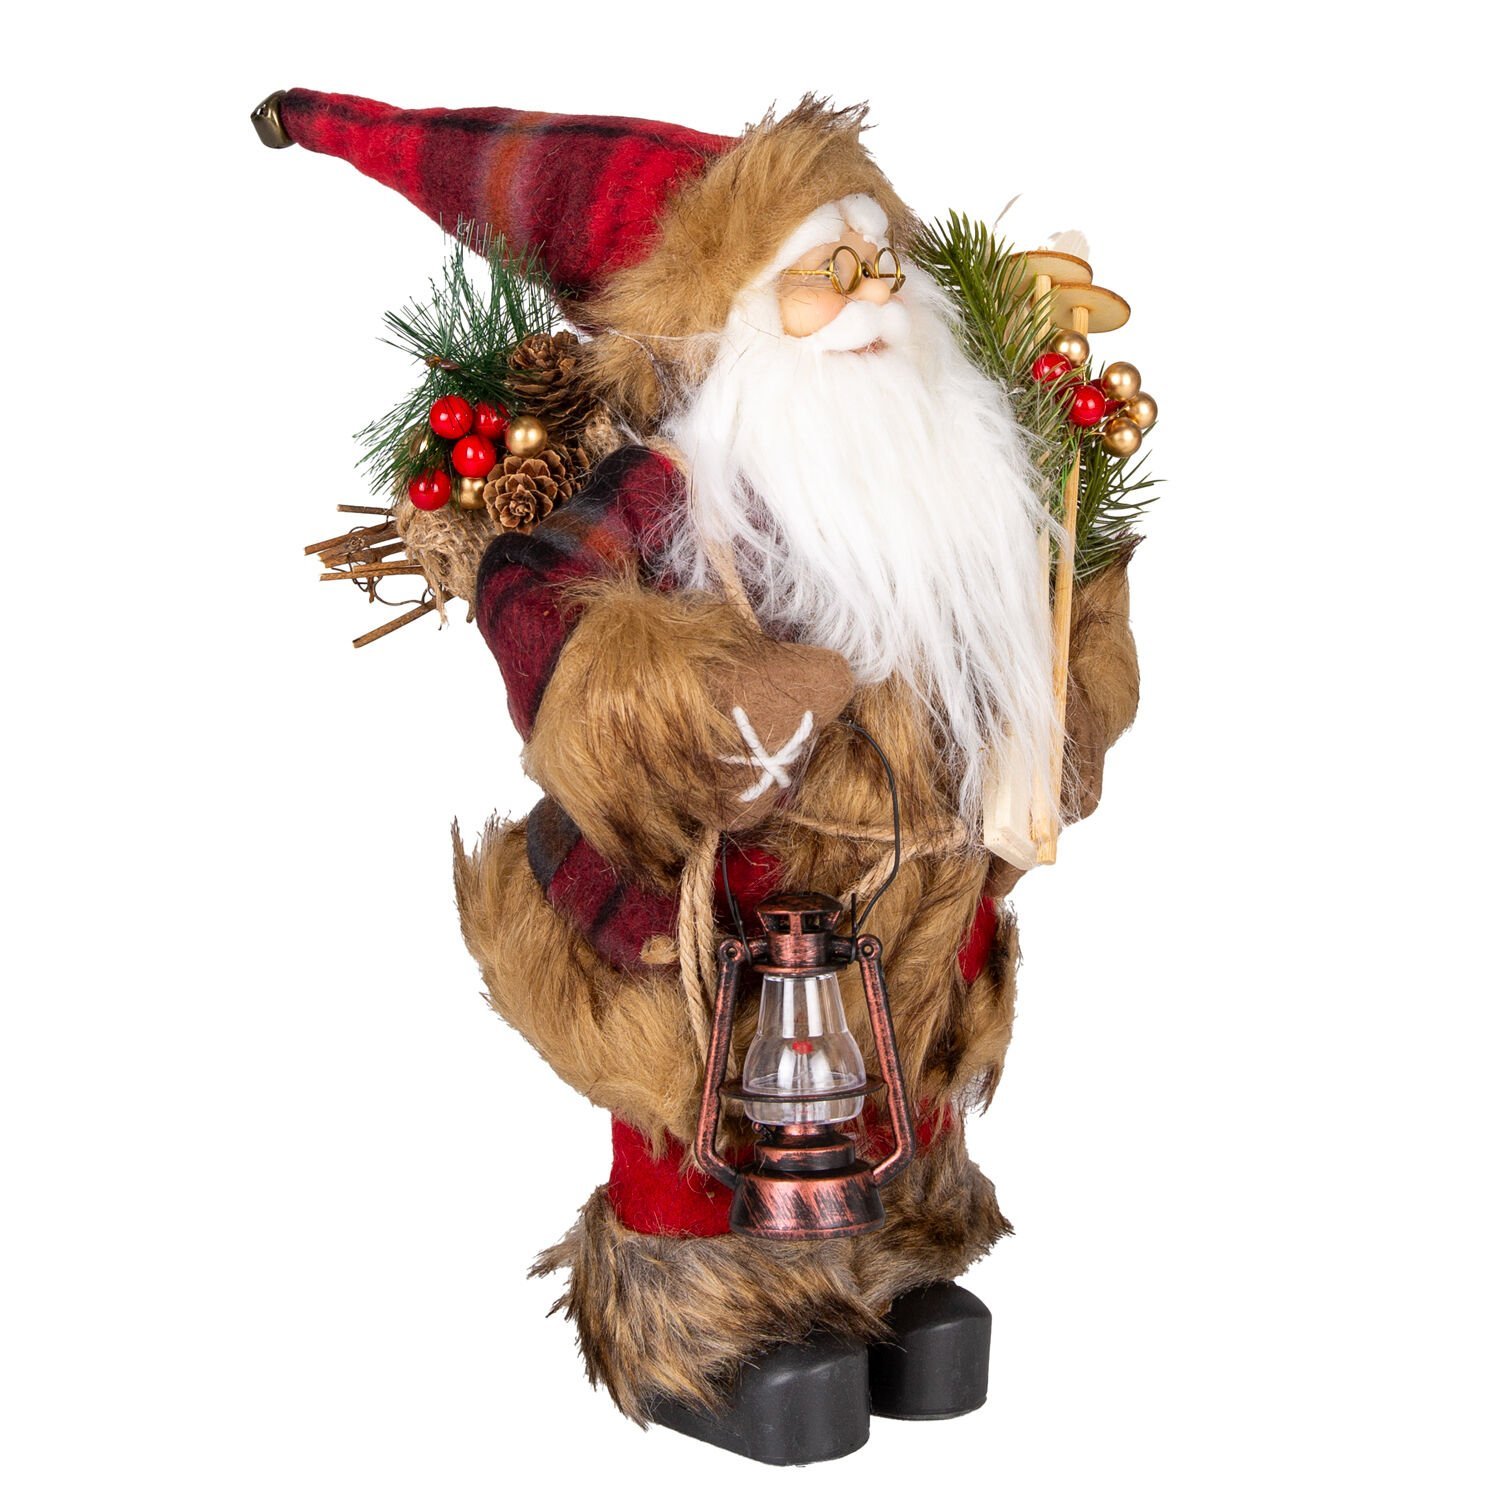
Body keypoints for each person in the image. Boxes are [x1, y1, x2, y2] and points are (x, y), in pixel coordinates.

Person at [256, 88, 1140, 1463]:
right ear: (726, 322)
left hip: (924, 878)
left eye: (879, 257)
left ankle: (899, 1263)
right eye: (823, 272)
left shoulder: (972, 466)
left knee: (913, 1060)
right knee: (711, 1093)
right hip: (730, 893)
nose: (873, 294)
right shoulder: (687, 487)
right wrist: (706, 705)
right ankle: (706, 1335)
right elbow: (540, 605)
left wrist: (1070, 708)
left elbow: (1067, 592)